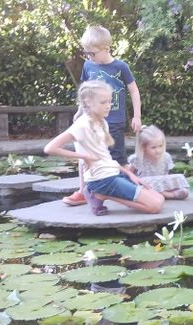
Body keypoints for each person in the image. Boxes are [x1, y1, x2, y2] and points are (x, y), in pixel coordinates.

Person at [44, 80, 164, 216]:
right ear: (88, 102)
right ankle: (99, 195)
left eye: (109, 101)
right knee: (155, 206)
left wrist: (129, 174)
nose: (108, 106)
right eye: (103, 102)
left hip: (113, 173)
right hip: (101, 180)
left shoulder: (102, 122)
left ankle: (101, 194)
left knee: (160, 198)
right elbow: (50, 148)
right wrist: (84, 157)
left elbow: (105, 157)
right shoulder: (82, 125)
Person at [63, 25, 143, 206]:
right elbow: (85, 91)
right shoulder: (88, 65)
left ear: (106, 48)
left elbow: (134, 91)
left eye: (92, 53)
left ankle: (126, 188)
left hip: (114, 121)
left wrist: (136, 116)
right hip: (92, 121)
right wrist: (80, 111)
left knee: (117, 157)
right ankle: (84, 190)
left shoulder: (120, 66)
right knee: (85, 154)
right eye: (87, 53)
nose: (89, 57)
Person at [128, 125, 189, 200]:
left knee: (180, 180)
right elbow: (128, 174)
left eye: (160, 146)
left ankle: (164, 193)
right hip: (145, 185)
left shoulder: (166, 157)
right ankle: (169, 195)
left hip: (160, 184)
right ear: (143, 147)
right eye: (153, 147)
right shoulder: (137, 158)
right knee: (144, 182)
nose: (158, 150)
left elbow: (166, 176)